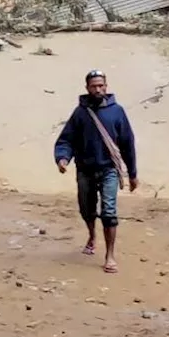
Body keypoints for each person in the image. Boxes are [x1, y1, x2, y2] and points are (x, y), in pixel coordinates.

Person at [53, 70, 138, 274]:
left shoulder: (117, 112)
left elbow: (128, 144)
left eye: (101, 85)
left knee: (109, 211)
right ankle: (92, 235)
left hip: (108, 169)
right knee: (86, 209)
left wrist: (132, 173)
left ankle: (110, 255)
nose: (98, 89)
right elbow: (66, 140)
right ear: (87, 88)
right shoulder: (80, 113)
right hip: (85, 169)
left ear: (106, 86)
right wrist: (62, 158)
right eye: (94, 86)